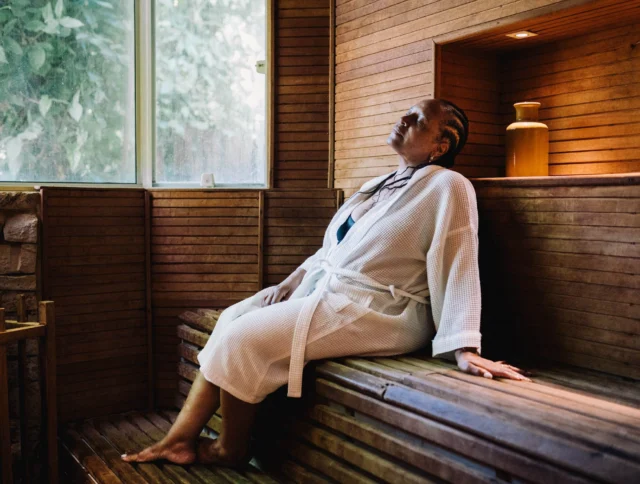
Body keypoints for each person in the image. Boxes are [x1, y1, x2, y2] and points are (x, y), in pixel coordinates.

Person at [122, 98, 530, 468]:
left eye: (418, 119)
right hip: (328, 289)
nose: (403, 118)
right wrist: (292, 279)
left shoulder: (448, 186)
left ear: (441, 146)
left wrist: (464, 347)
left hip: (380, 311)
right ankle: (178, 440)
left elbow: (457, 256)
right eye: (407, 111)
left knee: (243, 337)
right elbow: (334, 249)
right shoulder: (380, 184)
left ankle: (232, 448)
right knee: (233, 316)